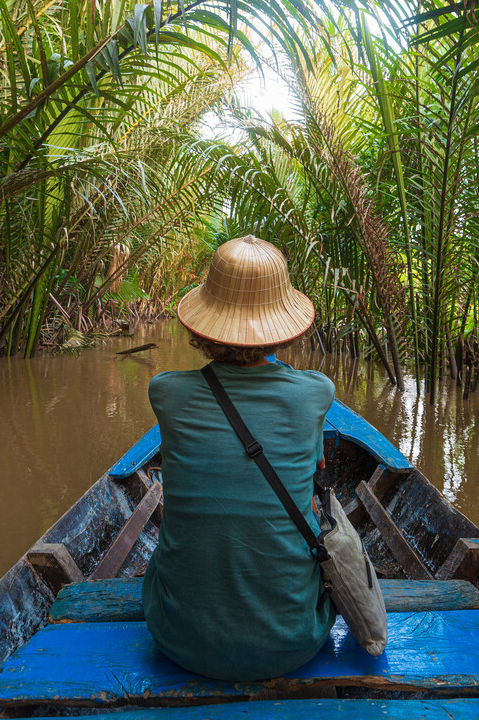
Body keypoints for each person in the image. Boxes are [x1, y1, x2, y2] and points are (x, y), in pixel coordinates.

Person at [142, 235, 337, 681]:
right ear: (282, 326)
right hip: (294, 640)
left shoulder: (166, 392)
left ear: (202, 327)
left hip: (178, 638)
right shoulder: (316, 393)